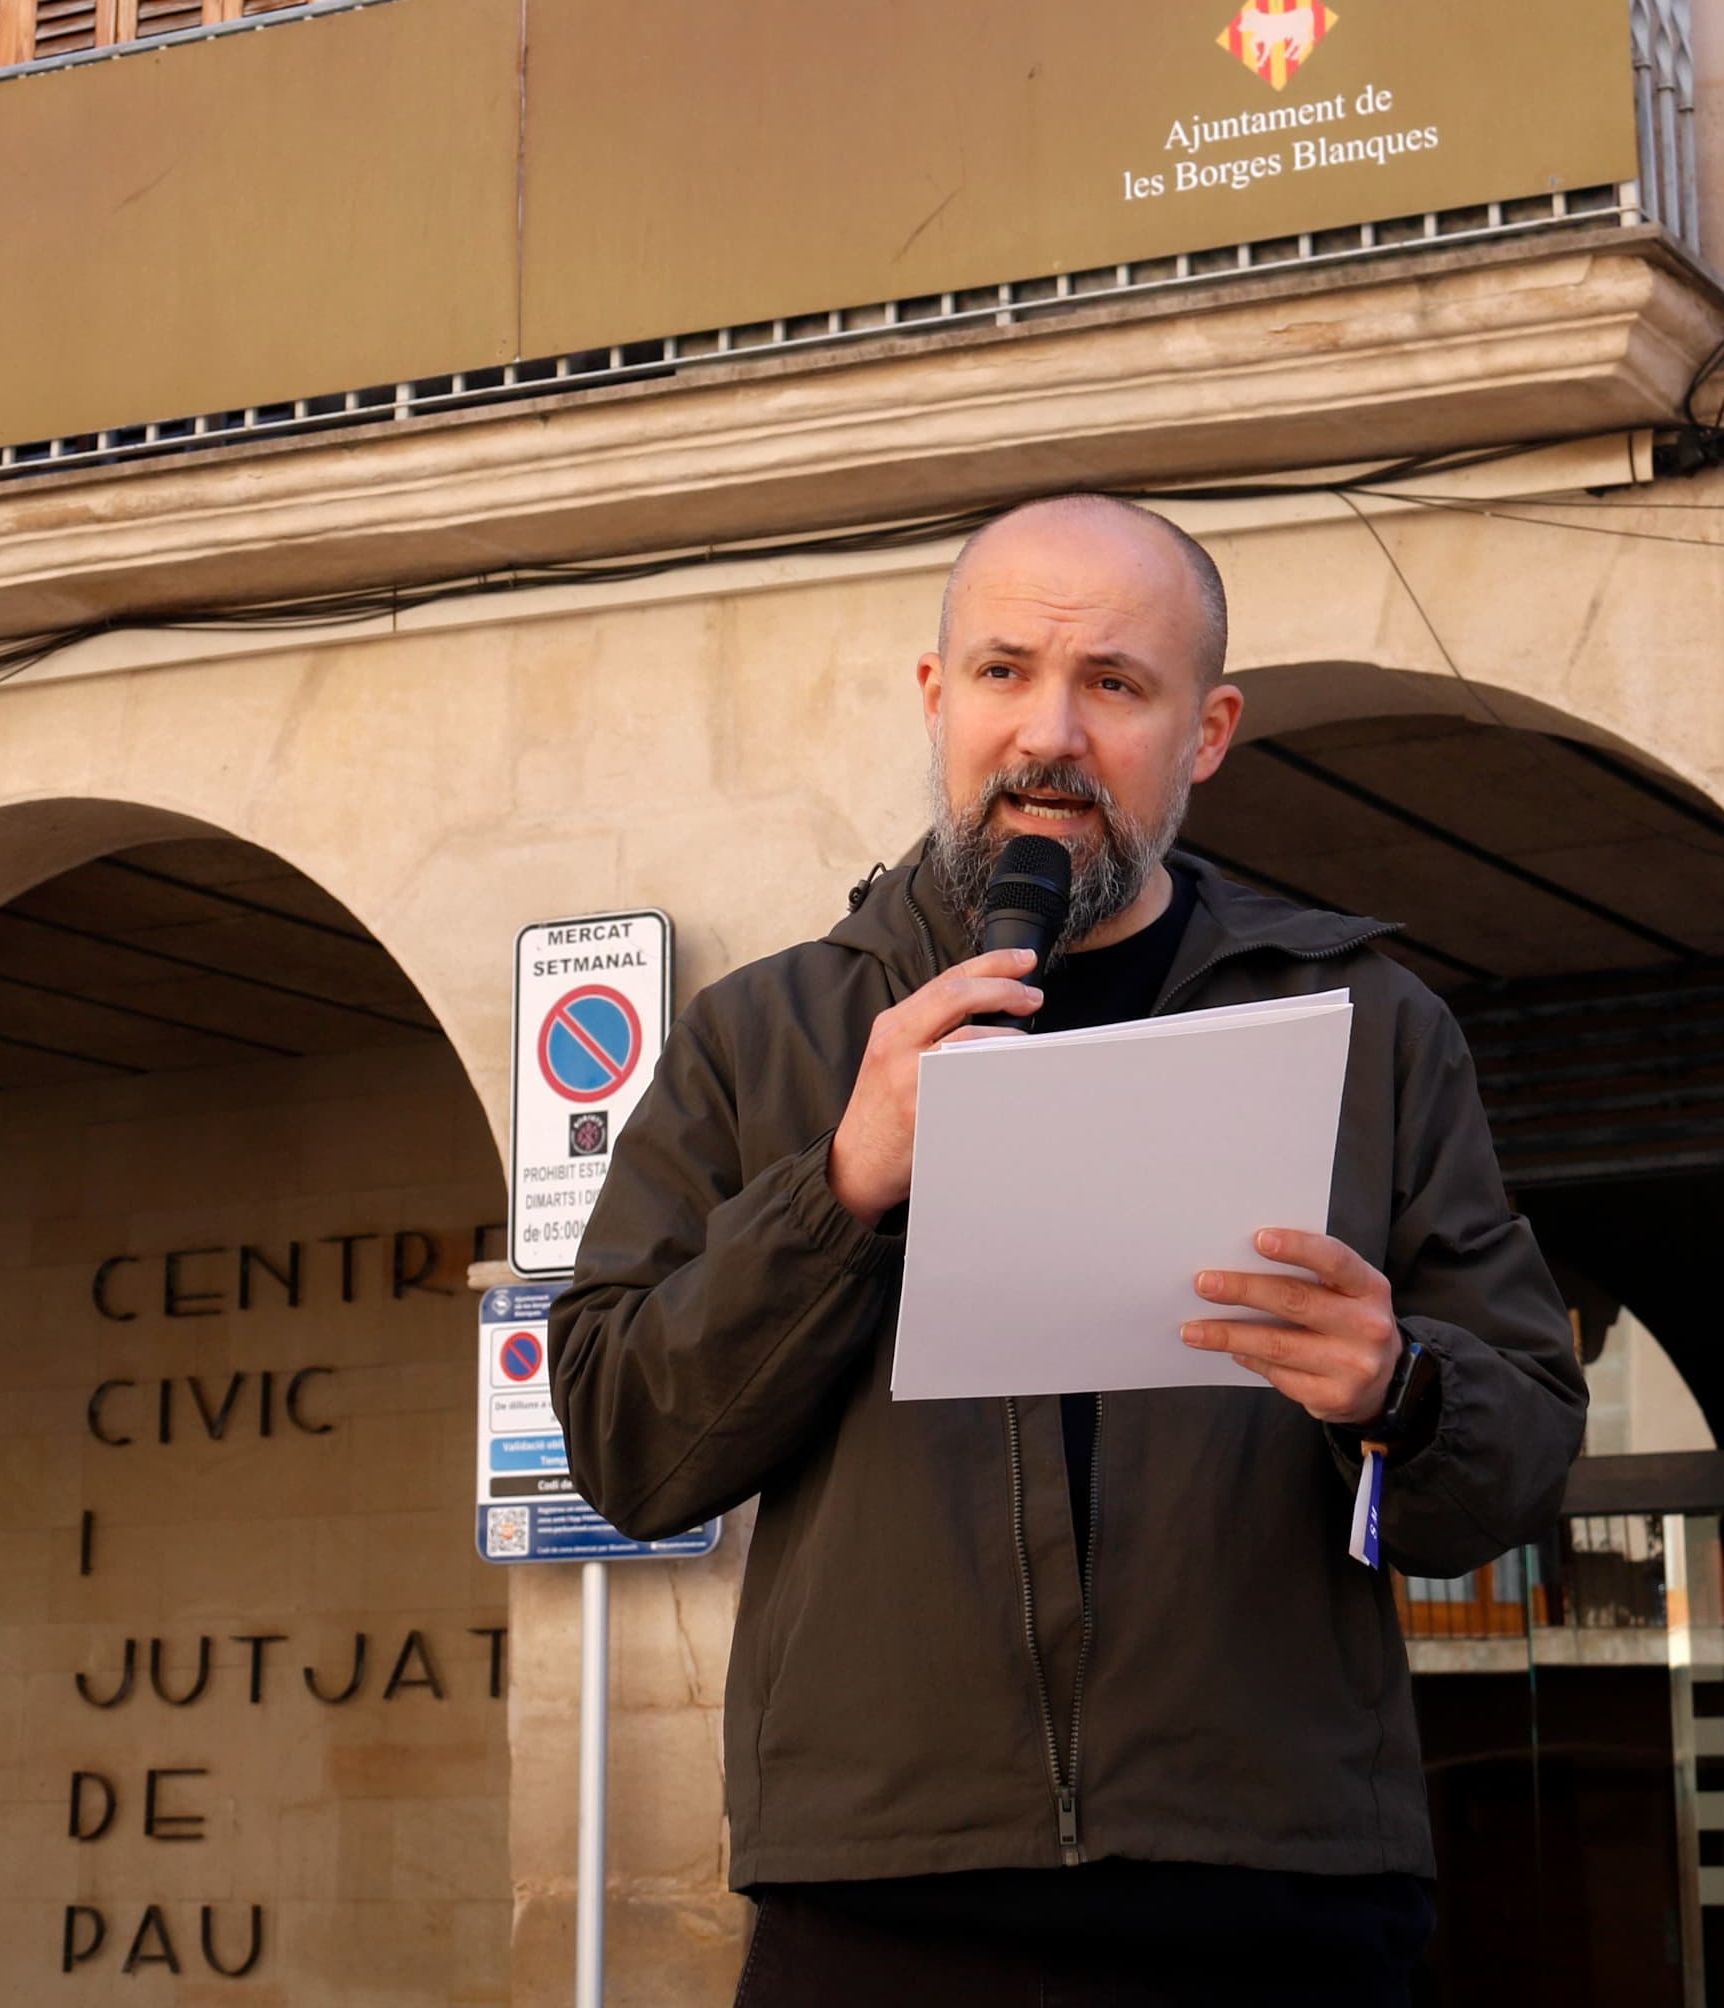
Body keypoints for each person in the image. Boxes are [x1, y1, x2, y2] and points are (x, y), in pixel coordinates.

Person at [551, 493, 1587, 2005]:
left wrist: (1403, 1390)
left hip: (1274, 1893)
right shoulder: (763, 1038)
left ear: (1207, 731)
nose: (1049, 734)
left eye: (1114, 684)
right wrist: (841, 1185)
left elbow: (1526, 1449)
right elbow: (625, 1447)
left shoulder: (1369, 1028)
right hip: (886, 1901)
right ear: (936, 695)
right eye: (1003, 673)